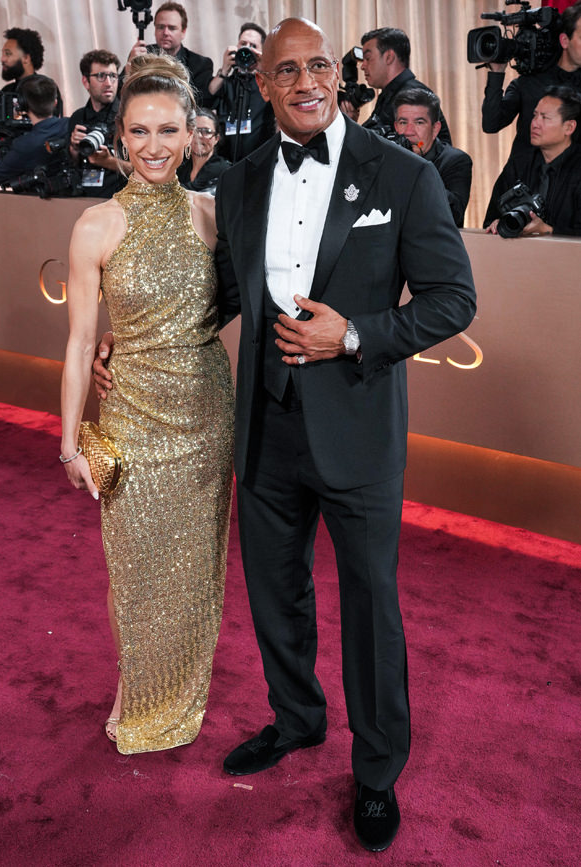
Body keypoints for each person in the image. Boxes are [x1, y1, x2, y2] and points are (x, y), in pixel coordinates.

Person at [96, 16, 476, 852]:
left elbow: (454, 299)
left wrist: (355, 333)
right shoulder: (241, 180)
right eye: (287, 71)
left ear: (338, 77)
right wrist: (133, 338)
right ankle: (297, 717)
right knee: (276, 594)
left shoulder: (405, 175)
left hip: (359, 432)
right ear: (263, 84)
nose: (306, 83)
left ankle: (376, 769)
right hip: (265, 425)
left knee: (370, 606)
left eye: (319, 67)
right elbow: (227, 293)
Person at [61, 53, 233, 754]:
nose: (154, 146)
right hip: (129, 415)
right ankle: (137, 683)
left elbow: (227, 309)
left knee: (194, 570)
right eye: (139, 131)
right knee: (130, 567)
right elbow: (80, 341)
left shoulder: (213, 216)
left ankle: (179, 692)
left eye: (168, 130)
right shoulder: (96, 224)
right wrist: (69, 443)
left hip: (204, 417)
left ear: (193, 134)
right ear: (121, 136)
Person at [481, 0, 581, 159]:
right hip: (524, 171)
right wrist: (497, 73)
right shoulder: (527, 82)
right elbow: (491, 124)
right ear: (564, 41)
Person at [484, 85, 581, 235]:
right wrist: (497, 224)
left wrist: (549, 231)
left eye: (545, 118)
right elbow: (490, 218)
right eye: (535, 115)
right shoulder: (519, 164)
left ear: (569, 127)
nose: (535, 123)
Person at [393, 89, 472, 227]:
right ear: (396, 126)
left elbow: (454, 215)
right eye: (403, 122)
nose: (409, 132)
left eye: (419, 123)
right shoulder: (388, 158)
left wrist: (413, 165)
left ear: (435, 129)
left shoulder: (456, 160)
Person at [360, 26, 451, 143]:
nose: (362, 66)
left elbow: (419, 147)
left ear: (389, 57)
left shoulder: (412, 94)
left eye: (368, 58)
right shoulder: (391, 93)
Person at [208, 22, 276, 162]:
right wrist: (224, 69)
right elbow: (209, 97)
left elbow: (281, 96)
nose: (247, 49)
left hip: (259, 159)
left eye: (253, 46)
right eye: (243, 44)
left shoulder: (266, 84)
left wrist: (263, 67)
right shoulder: (227, 81)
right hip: (226, 160)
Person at [67, 50, 130, 198]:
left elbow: (145, 171)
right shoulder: (78, 118)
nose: (108, 83)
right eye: (101, 76)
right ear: (85, 82)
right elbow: (71, 166)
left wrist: (109, 162)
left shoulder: (130, 116)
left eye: (113, 76)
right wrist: (74, 149)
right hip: (82, 200)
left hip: (120, 201)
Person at [127, 2, 214, 106]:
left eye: (172, 28)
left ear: (183, 32)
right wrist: (129, 67)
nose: (165, 33)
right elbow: (121, 96)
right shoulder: (141, 54)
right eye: (160, 27)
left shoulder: (200, 64)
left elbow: (200, 104)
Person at [0, 27, 64, 116]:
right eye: (2, 54)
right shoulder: (6, 92)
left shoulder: (45, 88)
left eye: (8, 54)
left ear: (26, 58)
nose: (2, 59)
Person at [177, 108, 231, 193]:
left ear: (216, 138)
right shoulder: (180, 167)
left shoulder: (224, 170)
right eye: (194, 130)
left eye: (206, 131)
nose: (199, 136)